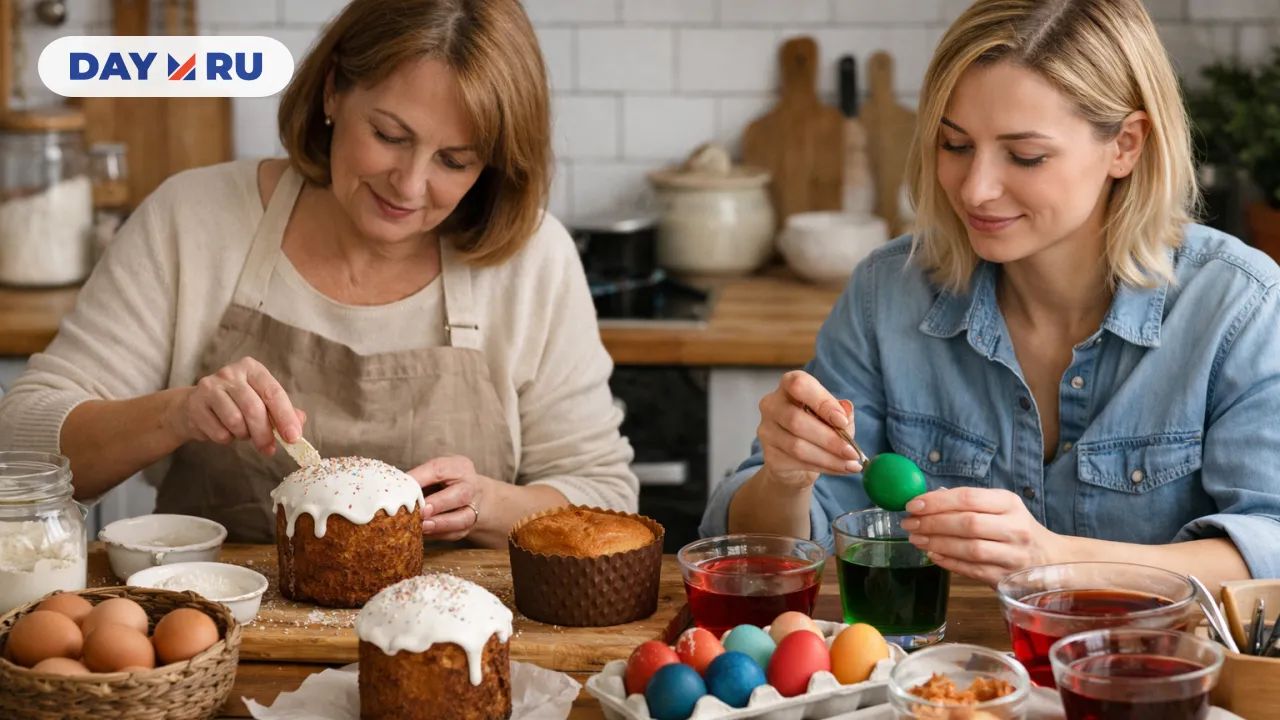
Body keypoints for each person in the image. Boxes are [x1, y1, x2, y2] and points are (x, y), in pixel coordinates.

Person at [0, 0, 637, 545]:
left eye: (454, 160)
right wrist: (177, 415)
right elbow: (18, 452)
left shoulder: (531, 260)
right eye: (388, 135)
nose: (410, 184)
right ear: (333, 90)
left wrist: (488, 505)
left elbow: (606, 501)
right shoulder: (192, 221)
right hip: (218, 649)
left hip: (461, 658)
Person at [702, 0, 1280, 588]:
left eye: (1024, 155)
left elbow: (1270, 549)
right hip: (936, 675)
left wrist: (1055, 560)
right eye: (955, 146)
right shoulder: (889, 293)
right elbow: (759, 549)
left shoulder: (1237, 306)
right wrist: (784, 479)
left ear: (1125, 145)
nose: (976, 190)